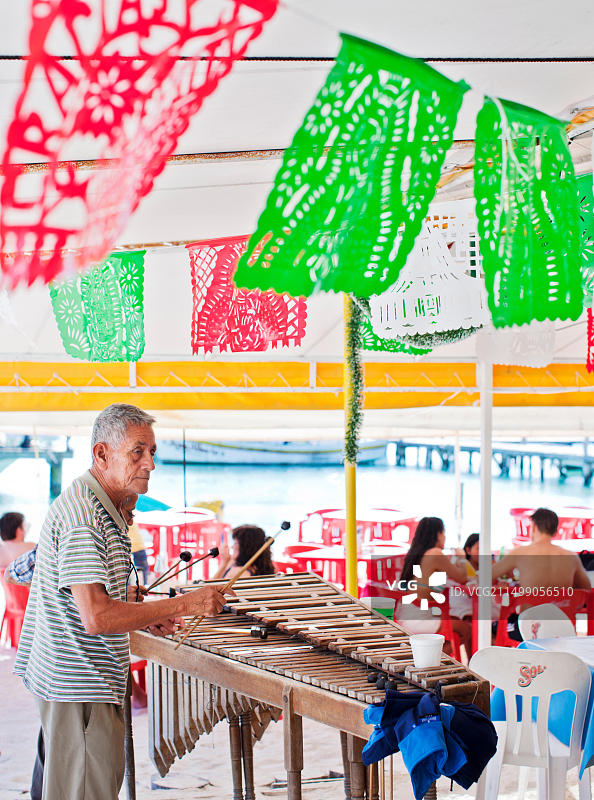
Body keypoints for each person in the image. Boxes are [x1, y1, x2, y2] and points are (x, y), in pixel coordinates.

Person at [14, 403, 228, 800]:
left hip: (72, 683)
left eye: (152, 452)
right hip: (80, 687)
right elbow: (96, 617)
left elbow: (88, 598)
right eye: (137, 451)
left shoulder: (101, 505)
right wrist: (184, 604)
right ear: (101, 454)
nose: (150, 462)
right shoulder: (85, 518)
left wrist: (141, 613)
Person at [492, 507, 591, 640]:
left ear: (533, 527)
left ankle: (510, 659)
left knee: (493, 627)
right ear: (555, 530)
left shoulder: (521, 552)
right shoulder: (571, 557)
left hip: (530, 630)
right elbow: (586, 587)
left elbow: (487, 576)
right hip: (563, 628)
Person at [397, 517, 472, 657]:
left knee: (455, 633)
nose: (445, 537)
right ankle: (427, 658)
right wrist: (462, 557)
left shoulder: (417, 553)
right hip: (419, 619)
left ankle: (427, 659)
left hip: (405, 615)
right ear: (438, 534)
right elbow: (462, 577)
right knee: (466, 629)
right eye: (444, 533)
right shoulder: (435, 553)